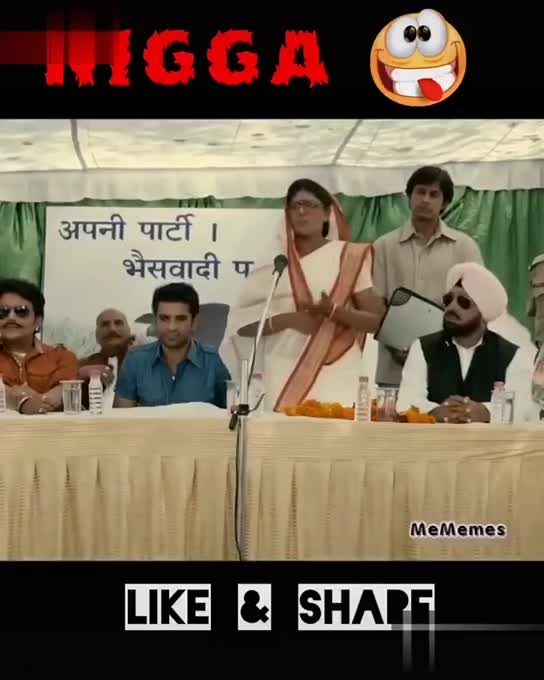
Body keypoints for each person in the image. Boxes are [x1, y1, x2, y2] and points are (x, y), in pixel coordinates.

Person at [220, 178, 385, 411]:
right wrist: (288, 320)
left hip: (336, 370)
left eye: (310, 205)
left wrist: (334, 311)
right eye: (295, 206)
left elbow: (377, 322)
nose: (301, 212)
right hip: (281, 371)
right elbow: (241, 328)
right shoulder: (274, 263)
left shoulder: (348, 256)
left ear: (327, 214)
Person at [373, 166, 483, 388]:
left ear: (445, 203)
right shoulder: (383, 246)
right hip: (394, 369)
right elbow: (376, 303)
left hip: (448, 366)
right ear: (409, 196)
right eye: (420, 192)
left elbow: (476, 305)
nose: (425, 199)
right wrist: (395, 344)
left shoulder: (464, 247)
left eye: (434, 194)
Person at [396, 262, 537, 423]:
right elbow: (406, 401)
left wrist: (485, 412)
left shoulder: (511, 355)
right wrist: (435, 412)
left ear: (482, 312)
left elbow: (523, 408)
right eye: (448, 299)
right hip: (434, 438)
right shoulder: (423, 347)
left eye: (463, 302)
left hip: (489, 439)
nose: (451, 308)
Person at [114, 283, 231, 408]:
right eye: (164, 318)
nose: (171, 327)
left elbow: (229, 414)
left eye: (180, 319)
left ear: (194, 322)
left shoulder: (212, 362)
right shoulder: (135, 360)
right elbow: (122, 417)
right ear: (155, 321)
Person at [0, 278, 79, 414]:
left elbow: (60, 395)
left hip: (50, 427)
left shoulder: (62, 358)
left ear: (38, 321)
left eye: (21, 311)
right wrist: (23, 402)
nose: (11, 318)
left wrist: (21, 400)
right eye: (3, 312)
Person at [79, 308, 135, 406]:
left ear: (129, 331)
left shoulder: (145, 362)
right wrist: (82, 373)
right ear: (97, 335)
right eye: (105, 324)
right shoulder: (83, 365)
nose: (112, 329)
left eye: (118, 323)